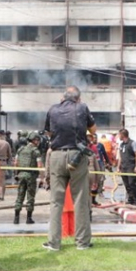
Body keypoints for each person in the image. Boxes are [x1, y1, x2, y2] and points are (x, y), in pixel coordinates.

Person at [43, 85, 96, 251]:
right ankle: (82, 243)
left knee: (56, 201)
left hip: (57, 155)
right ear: (78, 98)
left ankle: (54, 243)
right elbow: (93, 130)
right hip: (77, 156)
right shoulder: (82, 107)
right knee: (80, 199)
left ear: (62, 98)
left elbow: (48, 133)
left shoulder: (52, 109)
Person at [14, 131, 43, 225]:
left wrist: (16, 174)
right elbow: (39, 165)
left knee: (20, 195)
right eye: (37, 140)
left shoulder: (20, 149)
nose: (38, 142)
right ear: (34, 140)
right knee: (30, 197)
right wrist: (41, 177)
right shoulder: (36, 151)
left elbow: (15, 163)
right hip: (31, 176)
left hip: (21, 174)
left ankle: (16, 217)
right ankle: (28, 218)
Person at [116, 128, 136, 205]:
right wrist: (118, 166)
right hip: (124, 167)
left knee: (132, 183)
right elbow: (120, 156)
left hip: (131, 166)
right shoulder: (121, 144)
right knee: (126, 184)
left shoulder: (132, 143)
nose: (118, 136)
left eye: (119, 135)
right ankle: (130, 200)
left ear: (123, 135)